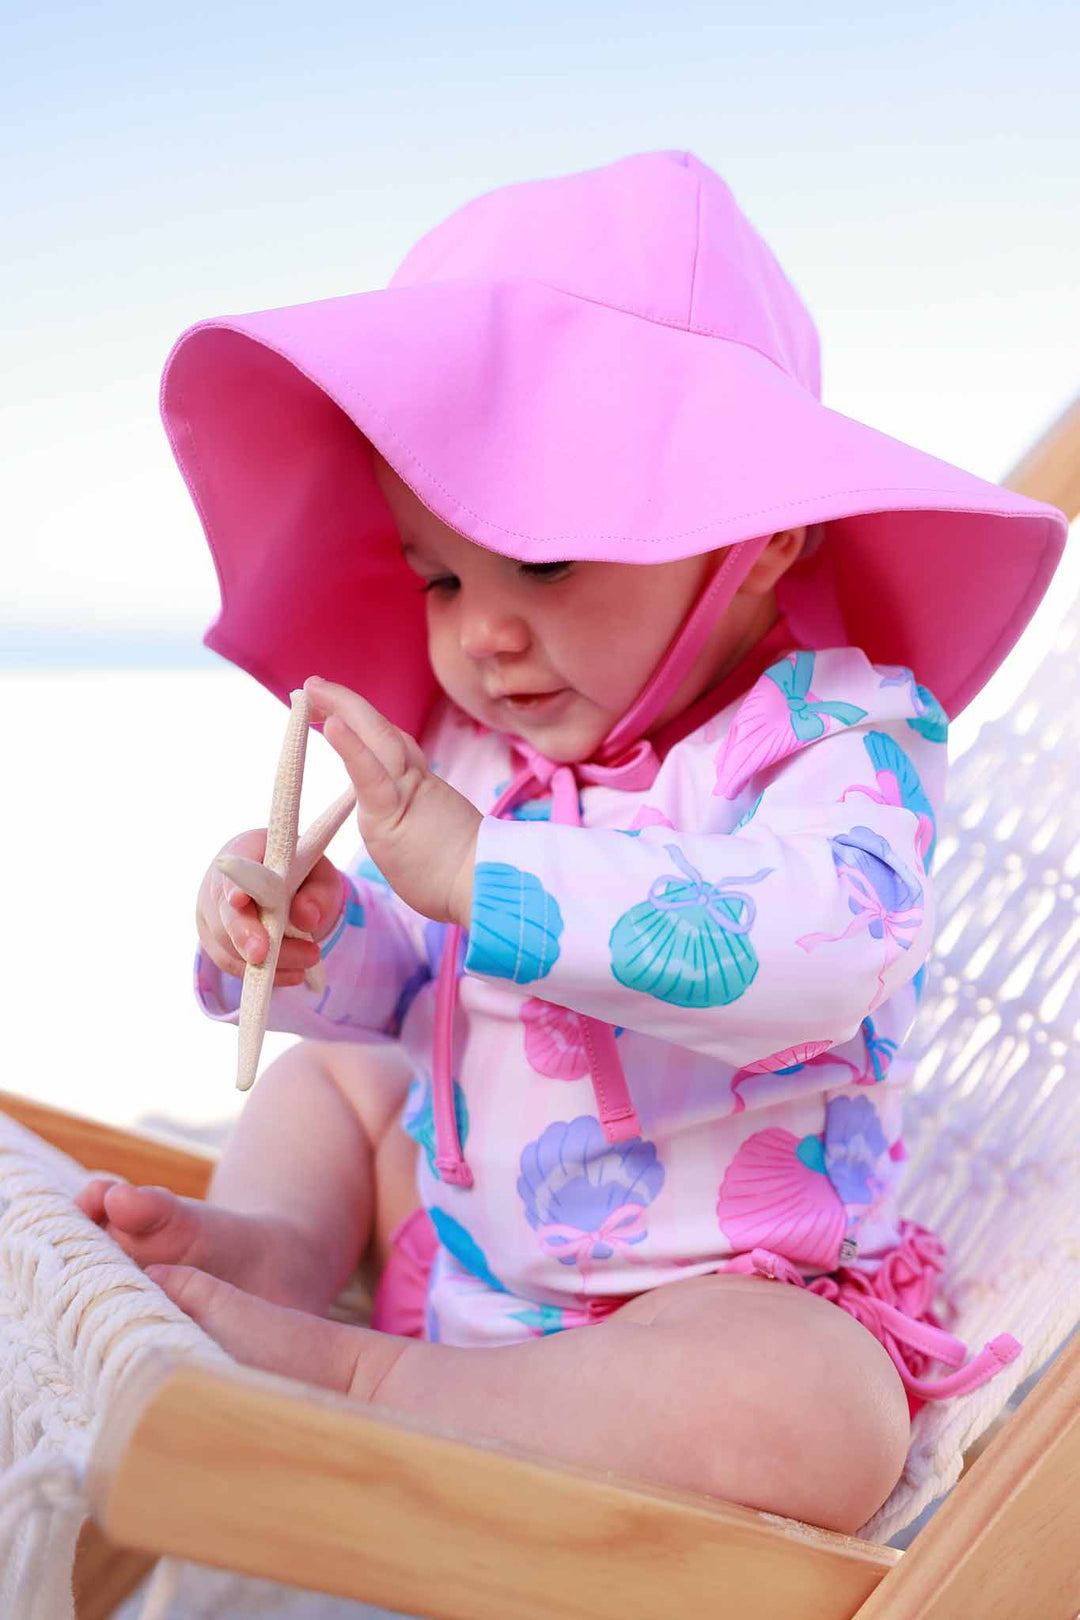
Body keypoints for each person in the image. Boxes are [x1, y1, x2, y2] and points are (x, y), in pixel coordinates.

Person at [77, 151, 1066, 1534]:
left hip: (713, 1294)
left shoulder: (842, 733)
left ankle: (371, 1380)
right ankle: (280, 1253)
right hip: (460, 1244)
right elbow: (419, 978)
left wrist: (484, 870)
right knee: (343, 1086)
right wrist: (314, 935)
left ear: (759, 530)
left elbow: (824, 948)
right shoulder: (493, 751)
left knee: (815, 1418)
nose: (482, 633)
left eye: (542, 562)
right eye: (439, 575)